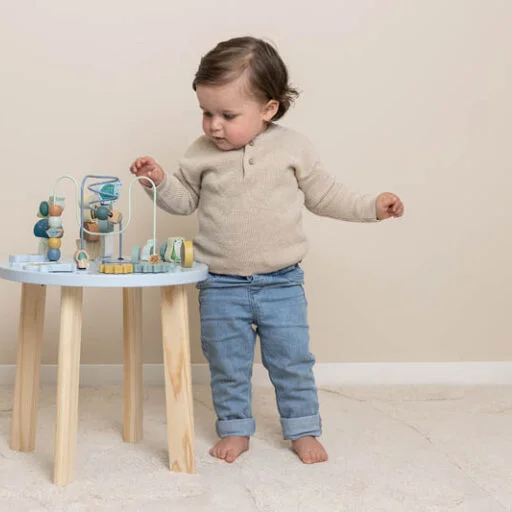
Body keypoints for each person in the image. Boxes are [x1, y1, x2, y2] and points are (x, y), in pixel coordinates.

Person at [129, 36, 404, 464]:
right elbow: (183, 202)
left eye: (227, 115)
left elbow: (325, 195)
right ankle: (235, 429)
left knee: (292, 361)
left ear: (268, 109)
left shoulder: (293, 147)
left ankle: (302, 429)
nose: (214, 125)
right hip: (220, 283)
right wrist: (159, 181)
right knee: (227, 365)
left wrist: (372, 207)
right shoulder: (201, 153)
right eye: (206, 112)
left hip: (281, 282)